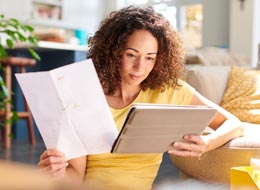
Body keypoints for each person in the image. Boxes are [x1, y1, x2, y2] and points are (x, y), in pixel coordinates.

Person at [38, 6, 244, 190]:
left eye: (149, 58)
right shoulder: (82, 95)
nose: (140, 67)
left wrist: (207, 143)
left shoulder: (169, 90)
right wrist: (57, 172)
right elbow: (75, 178)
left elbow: (234, 124)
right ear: (112, 52)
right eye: (131, 54)